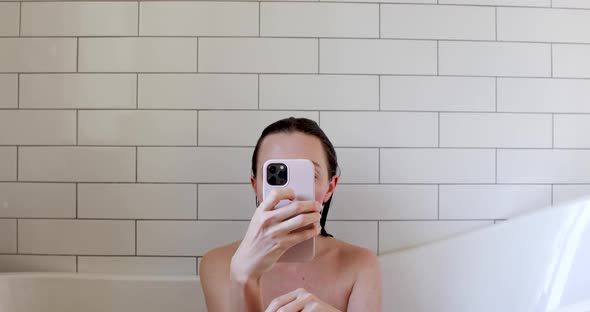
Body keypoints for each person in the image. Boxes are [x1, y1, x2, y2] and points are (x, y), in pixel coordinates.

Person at [200, 117, 382, 312]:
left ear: (330, 187)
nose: (290, 191)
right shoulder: (218, 264)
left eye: (307, 175)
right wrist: (244, 277)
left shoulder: (360, 264)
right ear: (256, 187)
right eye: (275, 176)